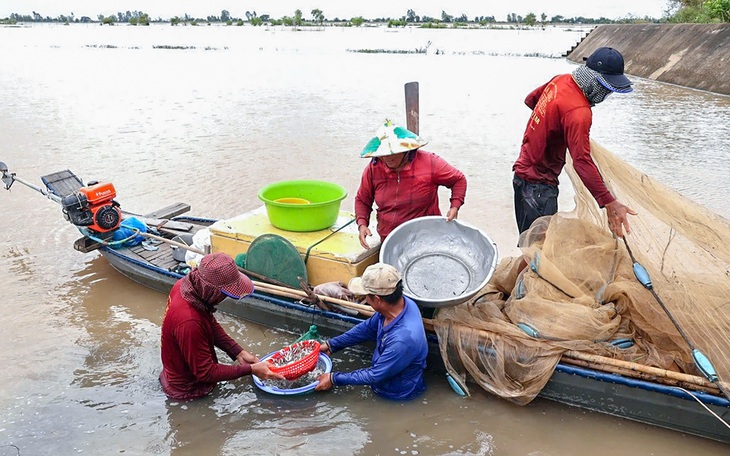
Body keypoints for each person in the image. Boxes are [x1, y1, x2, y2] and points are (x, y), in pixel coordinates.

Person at [512, 46, 637, 238]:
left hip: (522, 175)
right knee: (540, 249)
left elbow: (531, 100)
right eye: (604, 88)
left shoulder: (560, 80)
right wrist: (609, 202)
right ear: (592, 79)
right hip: (538, 187)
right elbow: (581, 162)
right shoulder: (579, 112)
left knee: (532, 244)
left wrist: (552, 129)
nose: (605, 95)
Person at [160, 252, 284, 400]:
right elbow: (205, 373)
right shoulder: (189, 322)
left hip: (174, 371)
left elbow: (208, 322)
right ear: (211, 291)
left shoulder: (185, 287)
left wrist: (237, 351)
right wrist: (250, 369)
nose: (224, 299)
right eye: (224, 294)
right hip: (189, 391)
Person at [314, 263, 428, 400]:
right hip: (389, 373)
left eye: (366, 296)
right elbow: (367, 329)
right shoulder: (402, 304)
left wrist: (334, 379)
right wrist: (332, 345)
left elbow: (375, 375)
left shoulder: (402, 340)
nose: (365, 299)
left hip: (396, 393)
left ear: (378, 300)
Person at [355, 119, 467, 249]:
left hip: (427, 237)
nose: (388, 158)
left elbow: (459, 180)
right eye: (383, 154)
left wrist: (455, 206)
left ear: (405, 150)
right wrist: (362, 224)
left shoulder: (430, 162)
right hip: (390, 238)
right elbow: (362, 199)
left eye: (394, 153)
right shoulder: (373, 169)